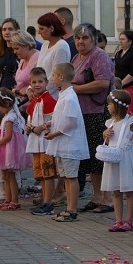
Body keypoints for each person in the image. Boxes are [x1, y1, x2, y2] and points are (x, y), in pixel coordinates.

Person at [71, 23, 115, 214]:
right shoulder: (76, 57)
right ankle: (96, 196)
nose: (81, 41)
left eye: (85, 38)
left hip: (98, 112)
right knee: (91, 159)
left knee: (101, 158)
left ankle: (108, 199)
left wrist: (77, 89)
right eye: (78, 38)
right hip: (83, 113)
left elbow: (103, 82)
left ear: (94, 39)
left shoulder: (99, 56)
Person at [44, 62, 89, 223]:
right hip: (63, 144)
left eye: (54, 75)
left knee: (71, 178)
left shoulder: (69, 97)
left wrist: (54, 134)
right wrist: (50, 123)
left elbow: (71, 122)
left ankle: (72, 209)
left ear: (61, 77)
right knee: (66, 177)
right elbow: (62, 117)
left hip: (70, 144)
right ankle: (69, 207)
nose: (52, 79)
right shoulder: (64, 95)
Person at [101, 90, 133, 232]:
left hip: (126, 158)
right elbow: (108, 139)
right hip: (113, 158)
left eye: (109, 103)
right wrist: (105, 134)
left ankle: (129, 220)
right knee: (116, 190)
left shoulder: (131, 121)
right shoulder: (110, 122)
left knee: (128, 191)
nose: (107, 106)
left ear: (118, 105)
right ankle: (118, 220)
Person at [0, 89, 31, 210]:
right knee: (6, 175)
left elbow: (8, 136)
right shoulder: (7, 115)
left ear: (6, 104)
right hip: (7, 147)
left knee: (10, 175)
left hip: (10, 148)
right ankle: (8, 199)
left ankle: (14, 200)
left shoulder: (10, 117)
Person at [24, 68, 58, 216]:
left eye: (40, 81)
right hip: (35, 142)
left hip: (45, 142)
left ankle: (48, 202)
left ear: (46, 82)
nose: (37, 84)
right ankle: (44, 199)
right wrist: (28, 126)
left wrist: (42, 127)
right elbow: (31, 116)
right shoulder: (35, 101)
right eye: (34, 82)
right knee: (41, 174)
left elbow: (55, 119)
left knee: (48, 173)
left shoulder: (49, 100)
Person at [35, 12, 72, 98]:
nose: (39, 32)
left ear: (51, 28)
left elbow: (56, 75)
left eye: (42, 28)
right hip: (41, 93)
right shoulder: (45, 45)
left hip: (53, 96)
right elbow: (38, 70)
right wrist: (32, 87)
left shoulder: (61, 46)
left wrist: (42, 91)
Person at [113, 30, 133, 115]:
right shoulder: (118, 53)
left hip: (131, 86)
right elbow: (116, 69)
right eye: (119, 39)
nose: (120, 41)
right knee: (119, 112)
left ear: (130, 41)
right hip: (119, 88)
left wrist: (121, 84)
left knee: (129, 112)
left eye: (123, 39)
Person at [10, 30, 40, 100]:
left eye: (17, 48)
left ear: (26, 46)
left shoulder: (37, 58)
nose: (14, 52)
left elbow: (40, 81)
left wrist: (26, 90)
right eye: (13, 49)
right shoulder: (23, 59)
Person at [0, 18, 20, 89]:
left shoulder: (21, 50)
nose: (7, 32)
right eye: (4, 29)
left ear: (16, 31)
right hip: (2, 89)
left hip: (17, 90)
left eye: (10, 29)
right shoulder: (0, 50)